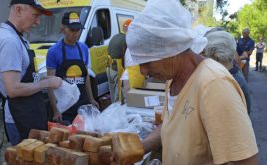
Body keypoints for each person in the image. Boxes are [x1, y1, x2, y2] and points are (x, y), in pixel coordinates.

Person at [122, 0, 259, 164]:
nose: (143, 71)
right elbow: (169, 127)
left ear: (170, 50)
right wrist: (139, 148)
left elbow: (246, 161)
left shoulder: (214, 85)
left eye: (147, 62)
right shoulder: (172, 78)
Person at [0, 0, 62, 145]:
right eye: (35, 15)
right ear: (18, 10)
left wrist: (42, 77)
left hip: (29, 111)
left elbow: (23, 75)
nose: (37, 22)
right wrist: (47, 82)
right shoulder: (9, 41)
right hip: (19, 116)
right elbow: (13, 89)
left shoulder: (18, 37)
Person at [47, 11, 99, 124]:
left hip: (82, 104)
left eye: (78, 30)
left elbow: (86, 77)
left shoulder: (84, 49)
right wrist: (55, 110)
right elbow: (49, 84)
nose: (76, 34)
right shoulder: (54, 51)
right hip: (65, 106)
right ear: (63, 29)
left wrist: (91, 99)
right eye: (72, 30)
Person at [202, 29, 251, 114]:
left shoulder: (226, 83)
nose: (203, 58)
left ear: (215, 55)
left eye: (205, 54)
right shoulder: (233, 74)